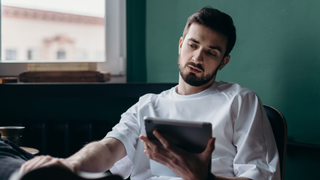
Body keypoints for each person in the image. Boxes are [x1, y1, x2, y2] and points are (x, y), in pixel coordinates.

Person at [3, 7, 280, 180]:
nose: (197, 57)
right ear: (181, 44)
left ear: (223, 61)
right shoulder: (149, 105)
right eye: (193, 45)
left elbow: (261, 177)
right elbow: (110, 147)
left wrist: (203, 178)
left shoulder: (240, 101)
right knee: (5, 152)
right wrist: (69, 165)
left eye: (211, 52)